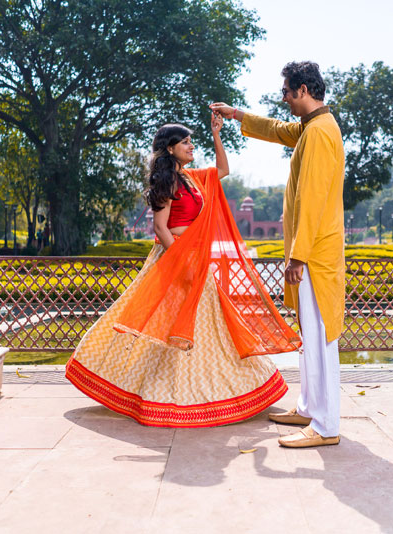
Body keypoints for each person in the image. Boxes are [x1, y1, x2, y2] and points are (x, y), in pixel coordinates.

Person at [65, 113, 300, 428]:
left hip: (195, 259)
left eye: (191, 141)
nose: (191, 146)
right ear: (170, 148)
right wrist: (181, 263)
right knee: (167, 324)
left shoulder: (192, 177)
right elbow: (160, 228)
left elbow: (224, 170)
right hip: (174, 259)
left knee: (209, 327)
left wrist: (217, 133)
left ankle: (206, 393)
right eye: (185, 142)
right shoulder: (166, 181)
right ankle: (156, 393)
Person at [211, 60, 345, 448]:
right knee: (310, 333)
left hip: (314, 256)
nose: (283, 98)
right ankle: (308, 408)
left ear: (303, 90)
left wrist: (298, 257)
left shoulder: (320, 133)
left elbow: (314, 199)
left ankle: (325, 426)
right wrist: (236, 115)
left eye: (286, 91)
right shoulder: (312, 128)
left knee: (320, 337)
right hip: (311, 253)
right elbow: (275, 129)